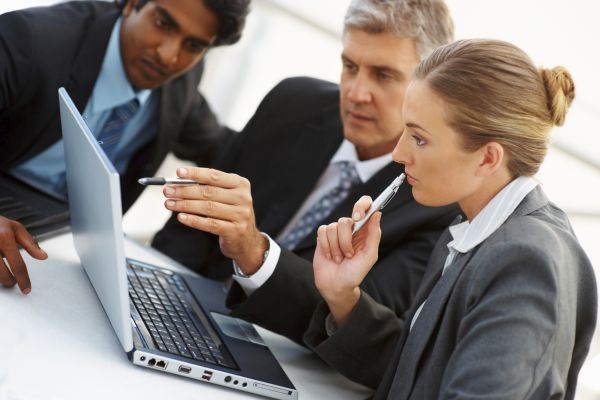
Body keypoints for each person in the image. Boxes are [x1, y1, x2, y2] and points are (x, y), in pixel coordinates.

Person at [151, 0, 458, 385]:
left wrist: (255, 253)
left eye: (383, 75)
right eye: (350, 67)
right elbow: (188, 233)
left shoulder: (439, 203)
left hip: (289, 370)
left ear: (430, 87)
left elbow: (352, 314)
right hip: (181, 315)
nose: (357, 92)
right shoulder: (293, 102)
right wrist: (152, 287)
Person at [305, 38, 597, 398]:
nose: (399, 153)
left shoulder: (526, 262)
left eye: (420, 139)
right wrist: (343, 296)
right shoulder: (472, 229)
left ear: (488, 158)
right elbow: (417, 372)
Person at [0, 0, 250, 294]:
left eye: (194, 46)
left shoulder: (182, 80)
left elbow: (220, 148)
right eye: (163, 23)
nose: (168, 56)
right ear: (132, 4)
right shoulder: (31, 39)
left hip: (68, 244)